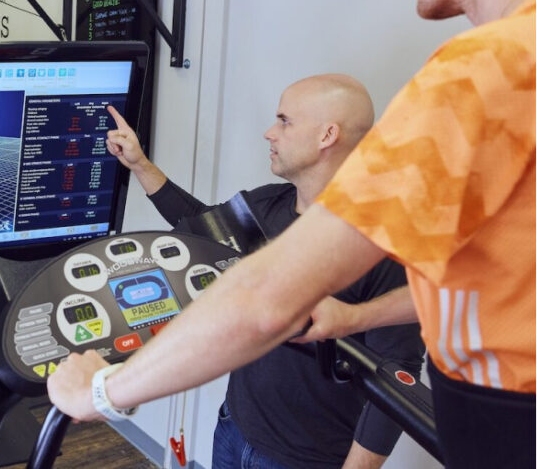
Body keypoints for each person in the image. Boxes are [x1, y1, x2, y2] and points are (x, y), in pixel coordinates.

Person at [47, 0, 535, 468]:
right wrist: (354, 317)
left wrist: (103, 391)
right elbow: (492, 278)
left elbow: (266, 298)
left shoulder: (490, 67)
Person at [105, 73, 424, 469]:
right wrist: (140, 165)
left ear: (327, 135)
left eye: (284, 121)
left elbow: (398, 375)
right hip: (234, 428)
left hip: (303, 459)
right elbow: (202, 228)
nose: (270, 133)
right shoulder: (269, 205)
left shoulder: (379, 243)